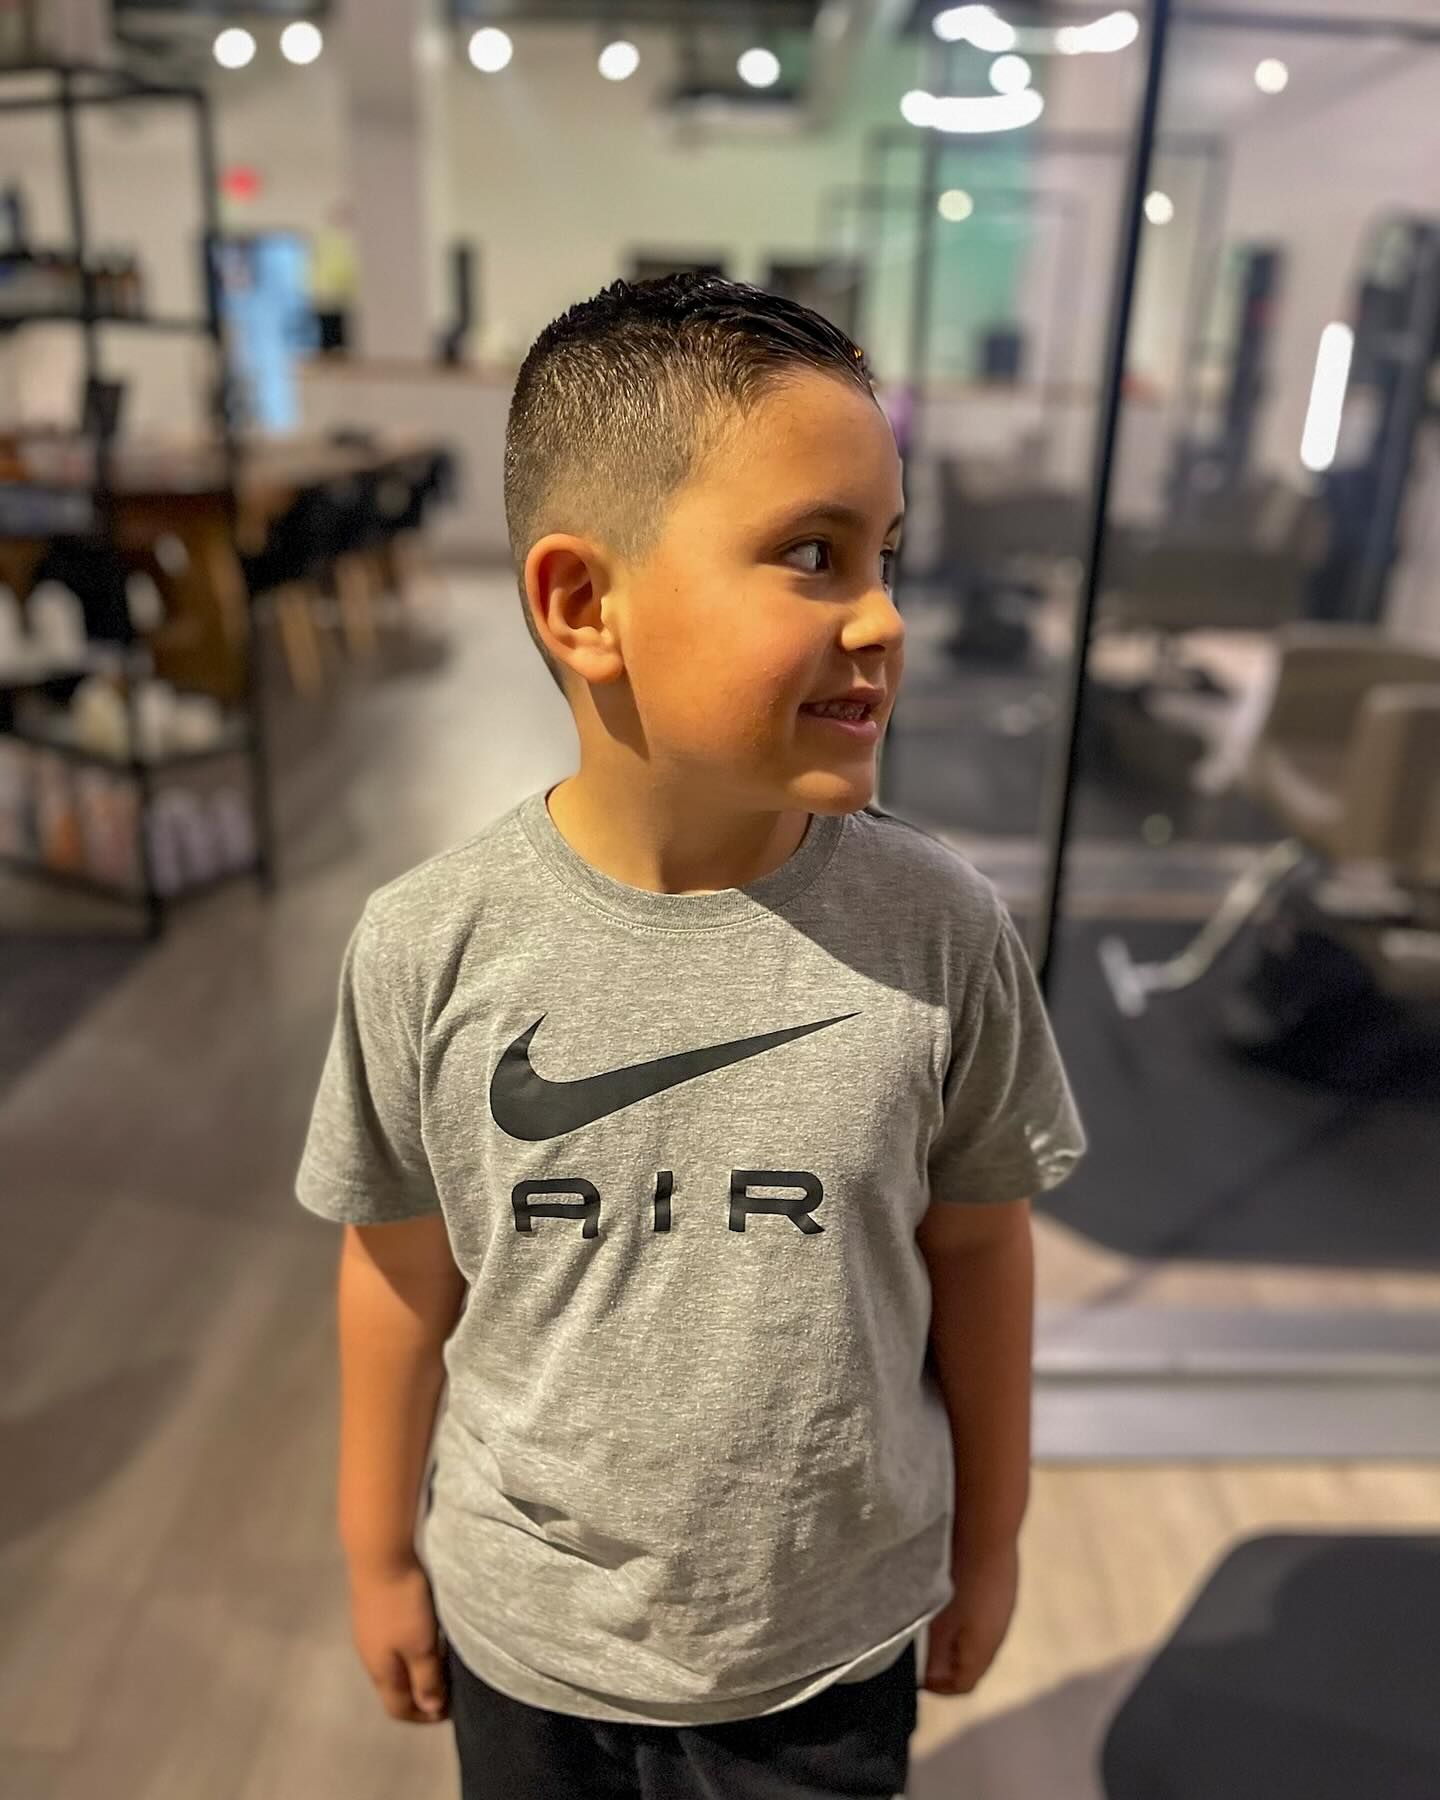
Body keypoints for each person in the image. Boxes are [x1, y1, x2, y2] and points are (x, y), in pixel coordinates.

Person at [296, 274, 1086, 1799]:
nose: (884, 616)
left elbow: (981, 1250)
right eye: (812, 554)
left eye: (885, 555)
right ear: (585, 606)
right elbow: (397, 1267)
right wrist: (376, 1549)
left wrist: (991, 1538)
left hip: (824, 1649)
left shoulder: (941, 932)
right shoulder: (427, 945)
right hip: (525, 1638)